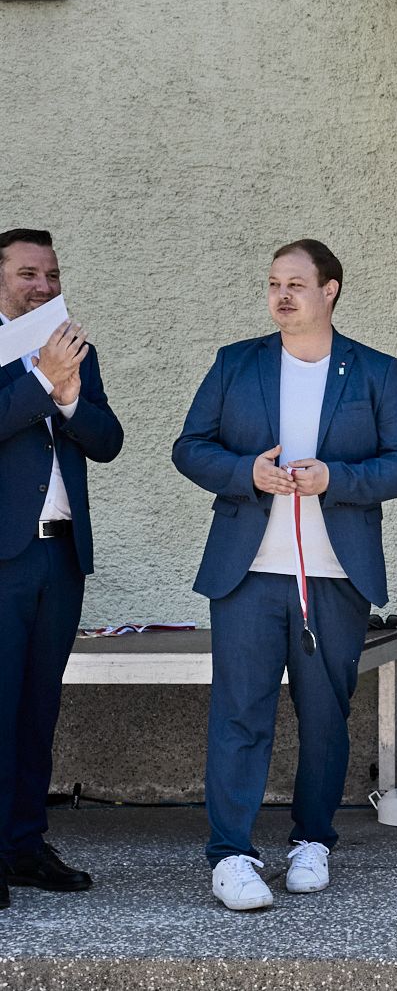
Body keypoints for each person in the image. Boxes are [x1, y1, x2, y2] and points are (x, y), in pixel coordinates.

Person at [172, 239, 397, 911]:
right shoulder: (237, 363)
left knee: (325, 717)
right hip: (248, 572)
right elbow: (189, 447)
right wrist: (246, 472)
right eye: (273, 284)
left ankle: (313, 840)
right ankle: (231, 854)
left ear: (330, 290)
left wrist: (336, 477)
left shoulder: (374, 370)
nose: (282, 295)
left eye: (296, 283)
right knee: (240, 714)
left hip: (334, 575)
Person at [0, 229, 123, 910]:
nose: (43, 286)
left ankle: (24, 846)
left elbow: (107, 441)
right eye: (28, 273)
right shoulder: (32, 356)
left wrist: (71, 395)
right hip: (4, 557)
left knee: (39, 707)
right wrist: (44, 381)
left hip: (61, 554)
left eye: (51, 274)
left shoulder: (73, 349)